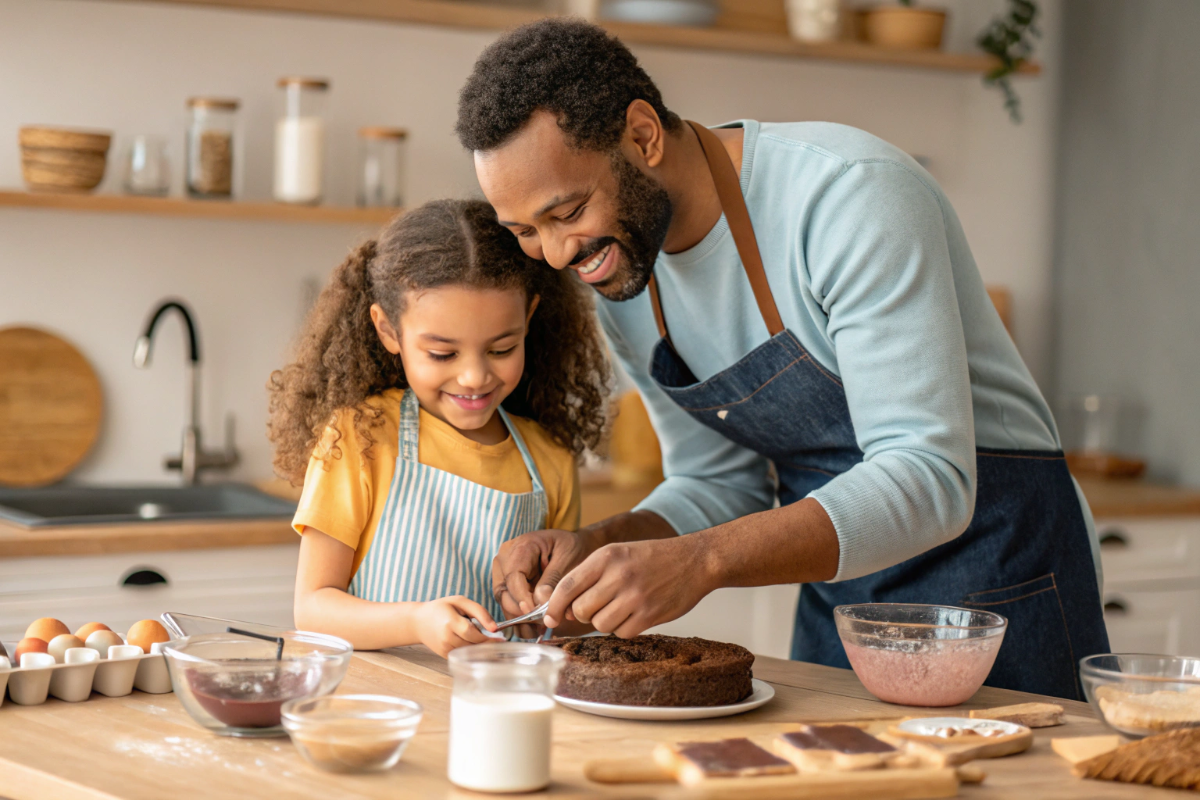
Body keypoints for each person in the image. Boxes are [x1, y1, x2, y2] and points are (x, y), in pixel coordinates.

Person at [459, 18, 1109, 699]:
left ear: (643, 136)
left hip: (997, 575)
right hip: (845, 599)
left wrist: (702, 561)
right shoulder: (624, 286)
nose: (556, 253)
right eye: (525, 231)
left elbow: (931, 478)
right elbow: (719, 485)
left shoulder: (849, 195)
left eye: (568, 212)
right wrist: (596, 547)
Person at [268, 199, 609, 657]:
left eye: (501, 349)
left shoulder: (551, 460)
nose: (474, 377)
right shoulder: (361, 437)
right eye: (443, 354)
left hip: (495, 698)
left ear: (528, 319)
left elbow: (558, 618)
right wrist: (416, 621)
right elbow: (313, 608)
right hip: (379, 698)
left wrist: (555, 612)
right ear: (389, 331)